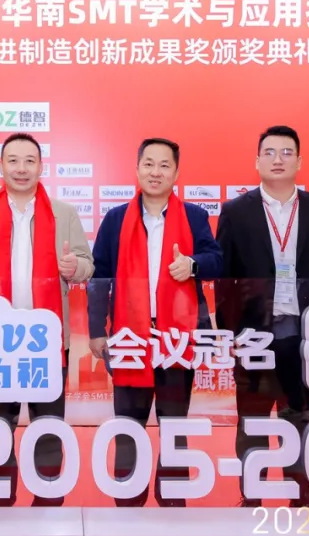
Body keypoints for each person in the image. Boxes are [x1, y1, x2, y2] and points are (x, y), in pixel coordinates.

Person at [215, 125, 309, 508]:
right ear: (257, 161)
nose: (278, 159)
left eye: (287, 153)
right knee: (252, 419)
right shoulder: (236, 212)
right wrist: (229, 331)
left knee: (297, 418)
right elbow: (224, 276)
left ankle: (300, 497)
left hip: (303, 335)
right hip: (254, 334)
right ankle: (252, 497)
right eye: (269, 152)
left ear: (299, 161)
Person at [0, 132, 93, 506]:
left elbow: (87, 265)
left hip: (47, 341)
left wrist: (74, 267)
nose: (21, 168)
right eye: (13, 160)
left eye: (29, 161)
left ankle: (48, 502)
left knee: (48, 428)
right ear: (1, 166)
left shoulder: (64, 213)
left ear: (41, 166)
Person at [87, 138, 223, 507]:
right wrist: (97, 330)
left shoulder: (194, 216)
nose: (156, 172)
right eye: (149, 164)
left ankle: (173, 501)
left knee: (175, 424)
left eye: (165, 165)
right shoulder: (116, 219)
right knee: (128, 425)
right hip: (130, 336)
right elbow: (99, 276)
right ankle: (127, 501)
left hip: (177, 336)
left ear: (176, 173)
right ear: (137, 169)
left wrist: (192, 265)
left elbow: (217, 260)